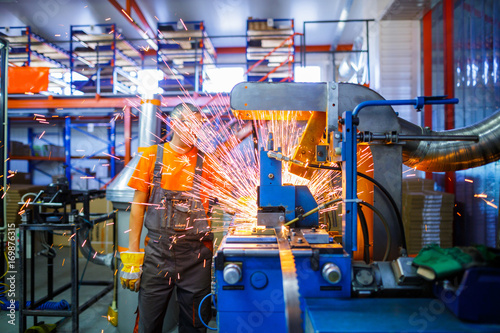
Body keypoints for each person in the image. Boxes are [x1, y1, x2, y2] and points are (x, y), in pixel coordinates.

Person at [120, 103, 214, 333]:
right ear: (174, 124)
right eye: (191, 125)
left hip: (197, 257)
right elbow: (137, 208)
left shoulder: (207, 162)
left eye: (198, 126)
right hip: (157, 255)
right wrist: (133, 257)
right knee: (148, 324)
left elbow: (219, 210)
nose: (195, 131)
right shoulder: (151, 156)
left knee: (195, 324)